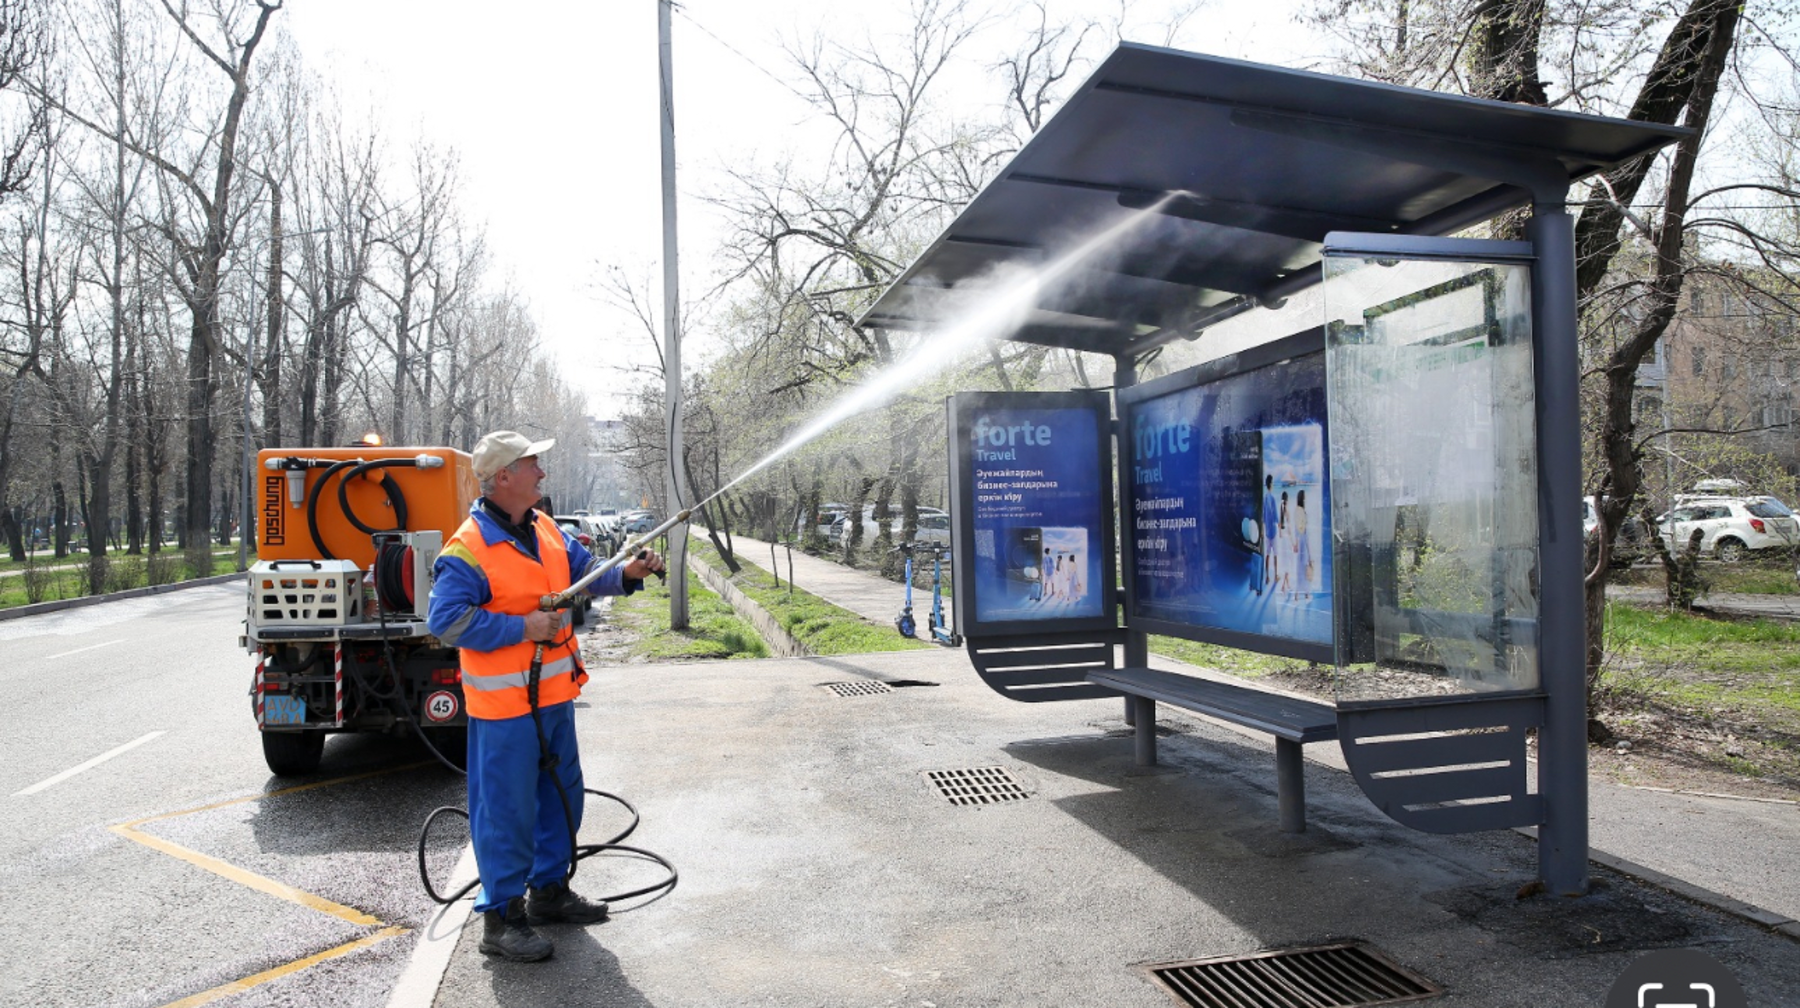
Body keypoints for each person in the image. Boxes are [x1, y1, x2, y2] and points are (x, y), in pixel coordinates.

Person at [427, 429, 666, 963]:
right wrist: (523, 628)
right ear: (503, 477)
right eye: (532, 464)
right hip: (504, 710)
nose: (542, 472)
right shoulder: (468, 548)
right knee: (506, 813)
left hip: (554, 700)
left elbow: (585, 577)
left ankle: (549, 893)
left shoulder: (547, 529)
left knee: (562, 797)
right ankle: (501, 918)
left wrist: (627, 572)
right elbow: (445, 621)